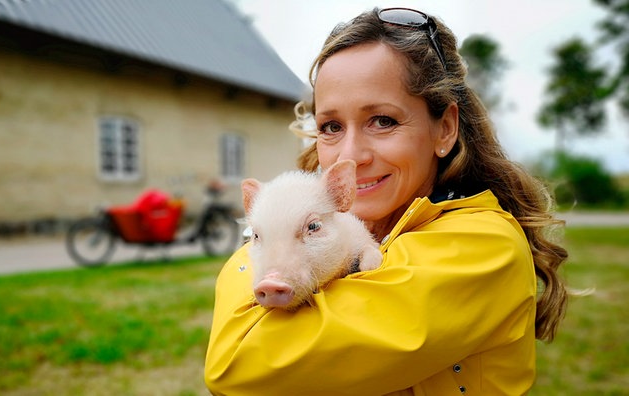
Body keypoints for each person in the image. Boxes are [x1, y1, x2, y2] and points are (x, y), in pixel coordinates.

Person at [204, 7, 568, 395]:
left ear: (444, 128)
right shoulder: (344, 229)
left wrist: (267, 234)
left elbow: (237, 365)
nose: (352, 154)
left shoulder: (482, 246)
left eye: (383, 121)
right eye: (331, 126)